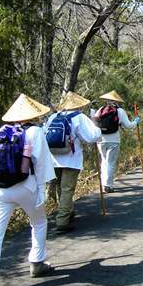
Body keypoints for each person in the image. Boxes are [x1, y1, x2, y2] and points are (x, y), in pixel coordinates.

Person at [0, 94, 56, 286]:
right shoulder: (35, 131)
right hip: (25, 186)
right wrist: (41, 190)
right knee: (38, 222)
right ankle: (37, 263)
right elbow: (41, 165)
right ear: (33, 115)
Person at [45, 92, 101, 234]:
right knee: (67, 189)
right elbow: (91, 137)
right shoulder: (79, 117)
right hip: (71, 158)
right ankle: (62, 221)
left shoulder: (54, 116)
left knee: (60, 188)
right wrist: (95, 124)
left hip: (54, 158)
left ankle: (68, 214)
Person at [93, 90, 140, 193]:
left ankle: (103, 184)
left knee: (104, 161)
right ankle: (108, 185)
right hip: (114, 140)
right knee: (110, 163)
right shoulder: (120, 111)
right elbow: (128, 126)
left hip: (100, 140)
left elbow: (95, 124)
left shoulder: (100, 110)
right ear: (116, 101)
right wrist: (136, 122)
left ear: (106, 101)